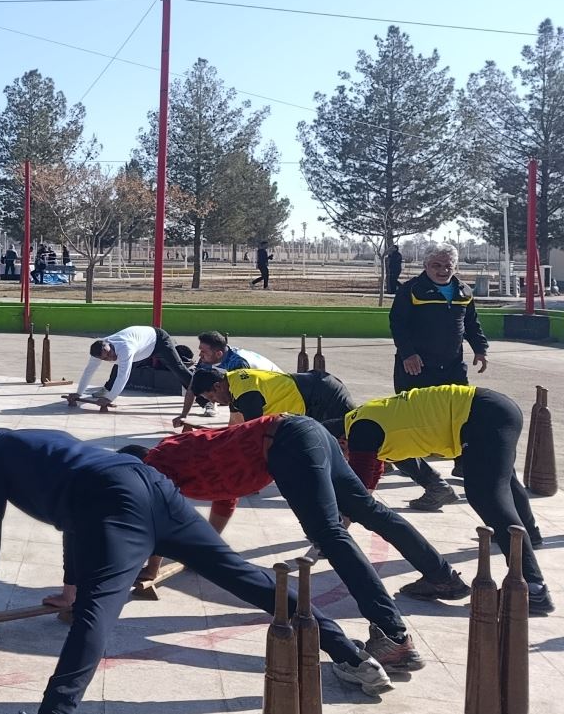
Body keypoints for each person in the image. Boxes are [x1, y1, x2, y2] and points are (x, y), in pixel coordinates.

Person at [0, 429, 392, 711]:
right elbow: (74, 519)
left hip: (110, 502)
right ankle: (352, 656)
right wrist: (69, 589)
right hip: (151, 485)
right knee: (240, 574)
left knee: (97, 612)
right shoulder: (42, 442)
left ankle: (57, 709)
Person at [124, 416, 465, 674]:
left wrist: (152, 568)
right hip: (306, 431)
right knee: (369, 512)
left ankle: (393, 637)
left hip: (287, 441)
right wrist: (203, 552)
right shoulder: (188, 459)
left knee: (329, 534)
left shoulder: (155, 462)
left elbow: (157, 515)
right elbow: (225, 501)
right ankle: (441, 576)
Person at [343, 385, 550, 615]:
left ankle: (533, 588)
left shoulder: (360, 433)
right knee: (503, 485)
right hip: (492, 408)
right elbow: (367, 486)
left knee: (486, 496)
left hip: (480, 414)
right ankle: (531, 537)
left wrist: (334, 531)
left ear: (341, 443)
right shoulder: (362, 422)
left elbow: (356, 494)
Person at [388, 241, 486, 507]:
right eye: (436, 265)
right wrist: (408, 354)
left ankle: (462, 463)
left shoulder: (464, 291)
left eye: (448, 266)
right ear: (425, 265)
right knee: (412, 417)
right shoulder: (411, 290)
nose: (443, 270)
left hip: (452, 366)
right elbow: (397, 324)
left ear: (455, 266)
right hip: (417, 367)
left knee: (461, 414)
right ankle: (412, 464)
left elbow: (471, 323)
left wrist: (480, 349)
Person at [190, 366, 358, 435]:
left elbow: (254, 432)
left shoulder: (246, 392)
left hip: (324, 393)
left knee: (349, 434)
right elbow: (234, 426)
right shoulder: (233, 384)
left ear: (217, 386)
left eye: (212, 398)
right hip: (311, 398)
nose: (216, 402)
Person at [180, 331, 283, 419]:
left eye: (203, 351)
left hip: (277, 387)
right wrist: (183, 415)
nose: (200, 355)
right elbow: (193, 387)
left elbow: (241, 398)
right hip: (259, 387)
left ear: (219, 354)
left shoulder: (238, 363)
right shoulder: (206, 360)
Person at [76, 325, 193, 402]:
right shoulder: (97, 352)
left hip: (159, 340)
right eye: (105, 358)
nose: (110, 357)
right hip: (141, 349)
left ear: (109, 344)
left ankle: (201, 393)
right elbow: (88, 372)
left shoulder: (125, 347)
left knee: (178, 369)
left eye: (109, 353)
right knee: (118, 368)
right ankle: (107, 389)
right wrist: (78, 393)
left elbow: (123, 376)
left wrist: (109, 399)